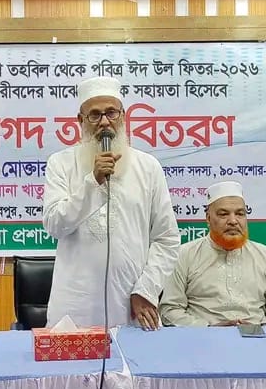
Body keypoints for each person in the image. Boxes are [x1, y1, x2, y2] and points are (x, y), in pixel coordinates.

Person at [43, 75, 180, 330]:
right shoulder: (60, 164)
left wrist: (146, 290)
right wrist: (92, 182)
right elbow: (54, 225)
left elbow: (167, 238)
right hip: (75, 308)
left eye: (111, 113)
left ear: (123, 116)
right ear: (80, 120)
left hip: (133, 305)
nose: (104, 122)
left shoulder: (148, 167)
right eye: (94, 115)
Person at [160, 180, 266, 326]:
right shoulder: (185, 255)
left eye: (240, 214)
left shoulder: (263, 255)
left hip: (256, 336)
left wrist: (264, 328)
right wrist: (208, 328)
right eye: (223, 214)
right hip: (203, 336)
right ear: (208, 219)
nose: (233, 221)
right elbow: (169, 310)